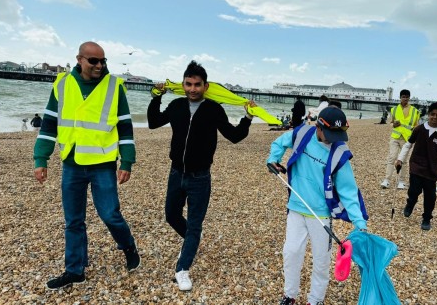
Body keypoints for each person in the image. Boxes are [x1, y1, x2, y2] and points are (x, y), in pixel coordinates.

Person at [33, 41, 140, 289]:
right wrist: (41, 158)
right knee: (73, 221)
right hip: (71, 162)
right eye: (93, 61)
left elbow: (125, 126)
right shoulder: (62, 84)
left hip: (102, 162)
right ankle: (75, 270)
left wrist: (127, 160)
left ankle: (128, 246)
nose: (99, 65)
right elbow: (49, 124)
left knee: (110, 215)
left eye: (103, 61)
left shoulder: (114, 87)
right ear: (79, 59)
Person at [147, 60, 255, 292]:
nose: (193, 89)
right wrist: (156, 97)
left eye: (197, 85)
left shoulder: (214, 109)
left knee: (195, 225)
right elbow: (153, 123)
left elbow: (234, 136)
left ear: (206, 86)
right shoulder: (176, 105)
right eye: (188, 84)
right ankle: (191, 243)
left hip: (200, 177)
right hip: (176, 173)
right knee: (171, 216)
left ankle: (182, 268)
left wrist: (247, 119)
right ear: (183, 84)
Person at [267, 106, 367, 305]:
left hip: (320, 214)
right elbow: (279, 143)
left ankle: (316, 300)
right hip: (296, 206)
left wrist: (359, 221)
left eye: (337, 134)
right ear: (318, 126)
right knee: (291, 252)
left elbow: (348, 190)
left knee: (321, 261)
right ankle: (289, 295)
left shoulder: (340, 152)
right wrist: (273, 160)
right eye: (329, 133)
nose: (332, 138)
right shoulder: (302, 133)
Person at [396, 101, 437, 231]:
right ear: (428, 115)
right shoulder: (419, 129)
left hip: (432, 169)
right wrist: (400, 159)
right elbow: (408, 145)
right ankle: (410, 204)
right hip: (416, 166)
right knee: (414, 191)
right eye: (432, 114)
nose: (435, 117)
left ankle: (426, 218)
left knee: (430, 196)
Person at [380, 89, 420, 190]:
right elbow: (391, 123)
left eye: (407, 97)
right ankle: (387, 180)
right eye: (403, 97)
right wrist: (393, 124)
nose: (405, 99)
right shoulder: (394, 109)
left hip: (407, 139)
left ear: (409, 98)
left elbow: (416, 126)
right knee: (392, 158)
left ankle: (401, 181)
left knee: (404, 160)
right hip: (395, 137)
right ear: (400, 97)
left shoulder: (415, 111)